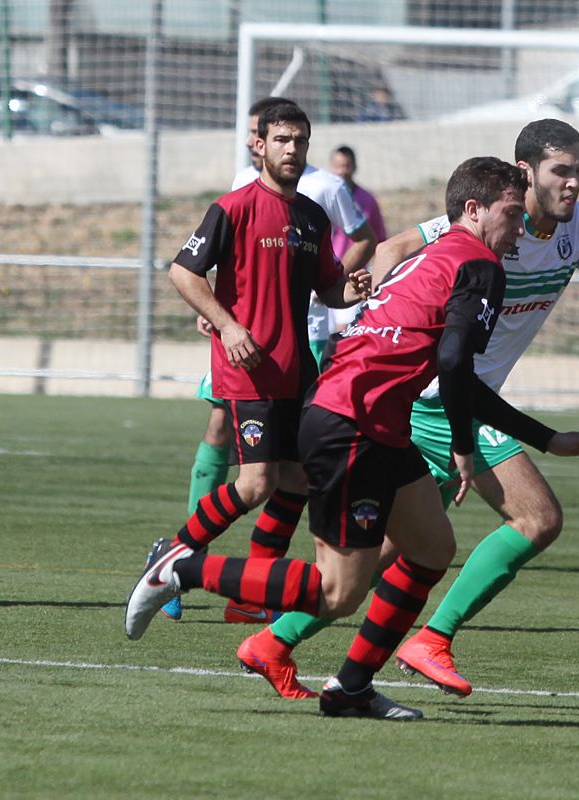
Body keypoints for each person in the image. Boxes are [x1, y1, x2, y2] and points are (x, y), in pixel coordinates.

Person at [125, 156, 579, 722]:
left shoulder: (433, 258)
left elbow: (454, 371)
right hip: (351, 424)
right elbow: (454, 363)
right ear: (474, 211)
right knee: (338, 592)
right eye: (511, 211)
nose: (520, 226)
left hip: (366, 418)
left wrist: (548, 440)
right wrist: (461, 444)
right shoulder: (479, 264)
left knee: (431, 547)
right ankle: (180, 569)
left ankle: (351, 687)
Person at [236, 118, 579, 701]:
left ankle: (275, 642)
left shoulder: (578, 228)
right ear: (525, 174)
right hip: (441, 397)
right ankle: (431, 639)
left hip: (456, 396)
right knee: (537, 518)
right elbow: (396, 246)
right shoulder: (488, 218)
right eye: (562, 170)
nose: (574, 182)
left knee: (400, 548)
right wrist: (374, 310)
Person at [167, 97, 377, 624]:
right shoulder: (232, 207)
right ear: (259, 145)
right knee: (256, 483)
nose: (292, 150)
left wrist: (350, 291)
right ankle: (171, 555)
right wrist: (228, 324)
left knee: (300, 480)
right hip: (248, 367)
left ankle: (248, 596)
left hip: (297, 368)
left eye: (300, 141)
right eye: (281, 140)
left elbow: (328, 290)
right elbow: (183, 274)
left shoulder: (311, 215)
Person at [327, 144, 387, 334]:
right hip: (327, 273)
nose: (342, 171)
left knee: (344, 329)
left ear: (354, 167)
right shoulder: (325, 196)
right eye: (338, 166)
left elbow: (379, 239)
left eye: (346, 166)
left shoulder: (367, 200)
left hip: (354, 275)